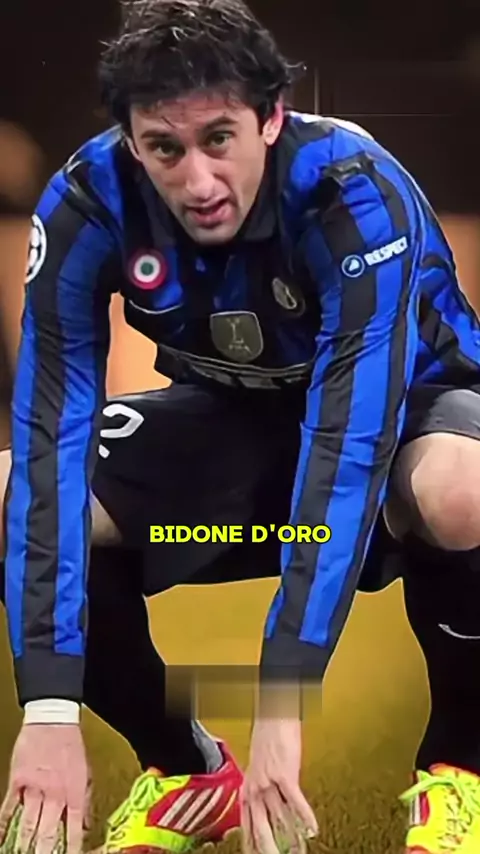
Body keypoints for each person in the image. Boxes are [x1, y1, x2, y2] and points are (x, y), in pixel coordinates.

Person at [1, 1, 480, 853]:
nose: (197, 181)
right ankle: (185, 769)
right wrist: (47, 706)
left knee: (461, 487)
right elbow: (51, 437)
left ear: (270, 118)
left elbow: (350, 438)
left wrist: (283, 702)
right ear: (130, 141)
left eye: (218, 138)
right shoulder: (87, 202)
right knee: (7, 490)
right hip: (236, 420)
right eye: (164, 148)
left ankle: (462, 769)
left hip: (406, 419)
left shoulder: (350, 192)